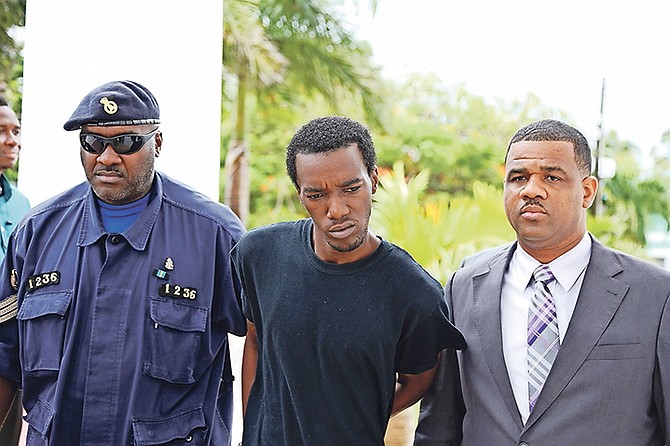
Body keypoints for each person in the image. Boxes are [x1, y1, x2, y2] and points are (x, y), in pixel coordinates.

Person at [0, 80, 247, 445]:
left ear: (157, 143)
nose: (107, 157)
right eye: (93, 142)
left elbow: (267, 342)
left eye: (127, 142)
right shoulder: (37, 232)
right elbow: (5, 356)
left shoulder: (215, 235)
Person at [414, 119, 670, 445]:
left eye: (552, 177)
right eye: (518, 178)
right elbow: (440, 424)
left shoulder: (656, 295)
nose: (531, 190)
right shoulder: (463, 288)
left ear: (587, 191)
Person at [232, 115, 466, 445]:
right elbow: (255, 340)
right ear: (300, 195)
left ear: (373, 180)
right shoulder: (259, 254)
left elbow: (417, 381)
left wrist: (352, 421)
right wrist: (252, 429)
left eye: (351, 188)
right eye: (316, 195)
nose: (337, 209)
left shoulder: (415, 292)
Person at [0, 97, 30, 446]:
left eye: (16, 131)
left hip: (10, 351)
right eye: (2, 132)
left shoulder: (22, 205)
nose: (13, 140)